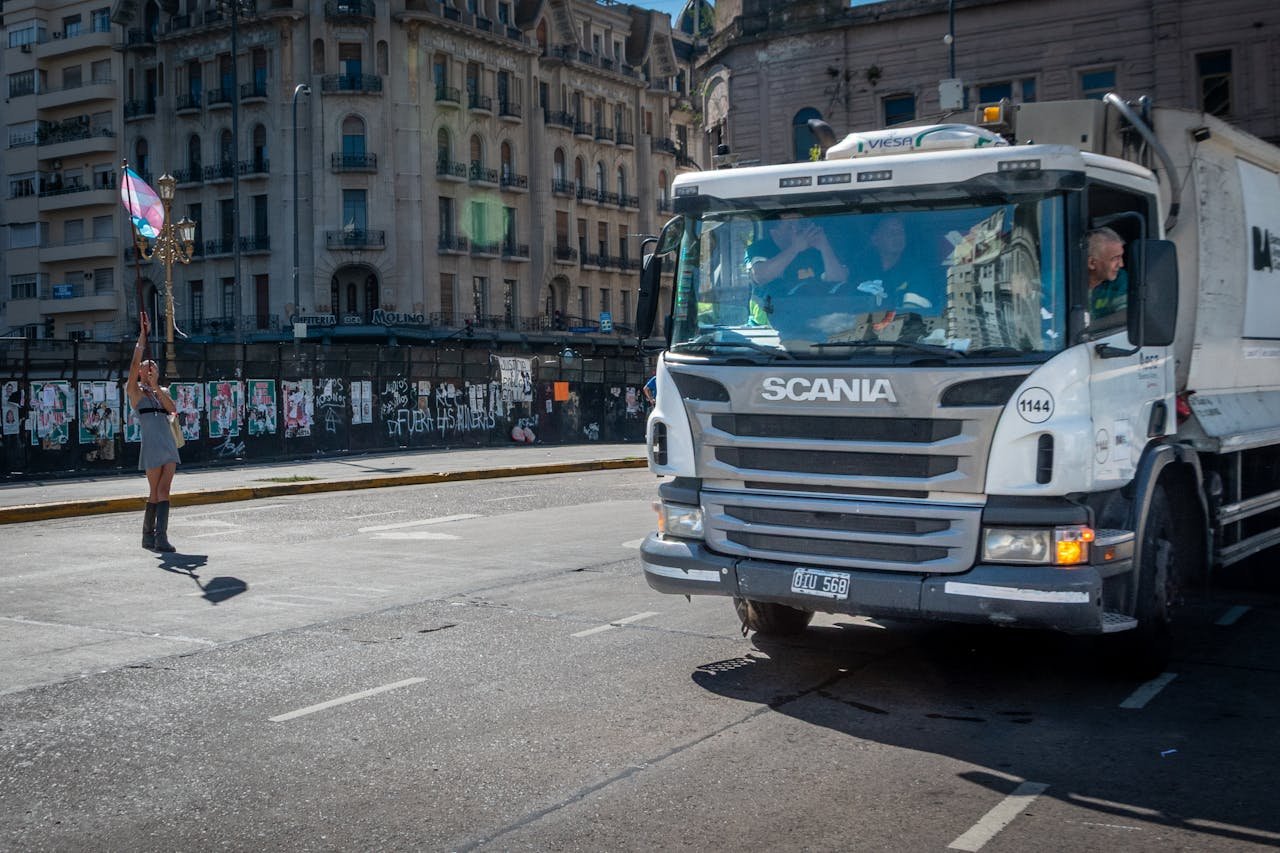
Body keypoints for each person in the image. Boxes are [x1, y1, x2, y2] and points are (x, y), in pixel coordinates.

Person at [126, 312, 181, 552]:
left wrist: (156, 386)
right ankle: (149, 536)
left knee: (164, 490)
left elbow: (173, 409)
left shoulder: (162, 391)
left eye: (153, 367)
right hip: (151, 446)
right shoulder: (135, 392)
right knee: (154, 492)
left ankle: (159, 537)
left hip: (167, 443)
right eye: (146, 368)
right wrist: (143, 335)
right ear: (140, 372)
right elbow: (134, 364)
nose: (149, 370)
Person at [746, 214, 848, 330]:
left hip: (814, 324)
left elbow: (839, 280)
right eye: (790, 226)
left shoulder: (812, 252)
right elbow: (761, 276)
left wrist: (824, 246)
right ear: (775, 233)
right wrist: (795, 248)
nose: (798, 230)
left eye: (800, 225)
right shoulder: (759, 248)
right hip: (767, 331)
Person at [1086, 226, 1128, 319]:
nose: (1121, 264)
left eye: (1121, 257)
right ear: (1092, 263)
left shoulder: (1120, 279)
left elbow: (1124, 318)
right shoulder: (1062, 284)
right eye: (1115, 258)